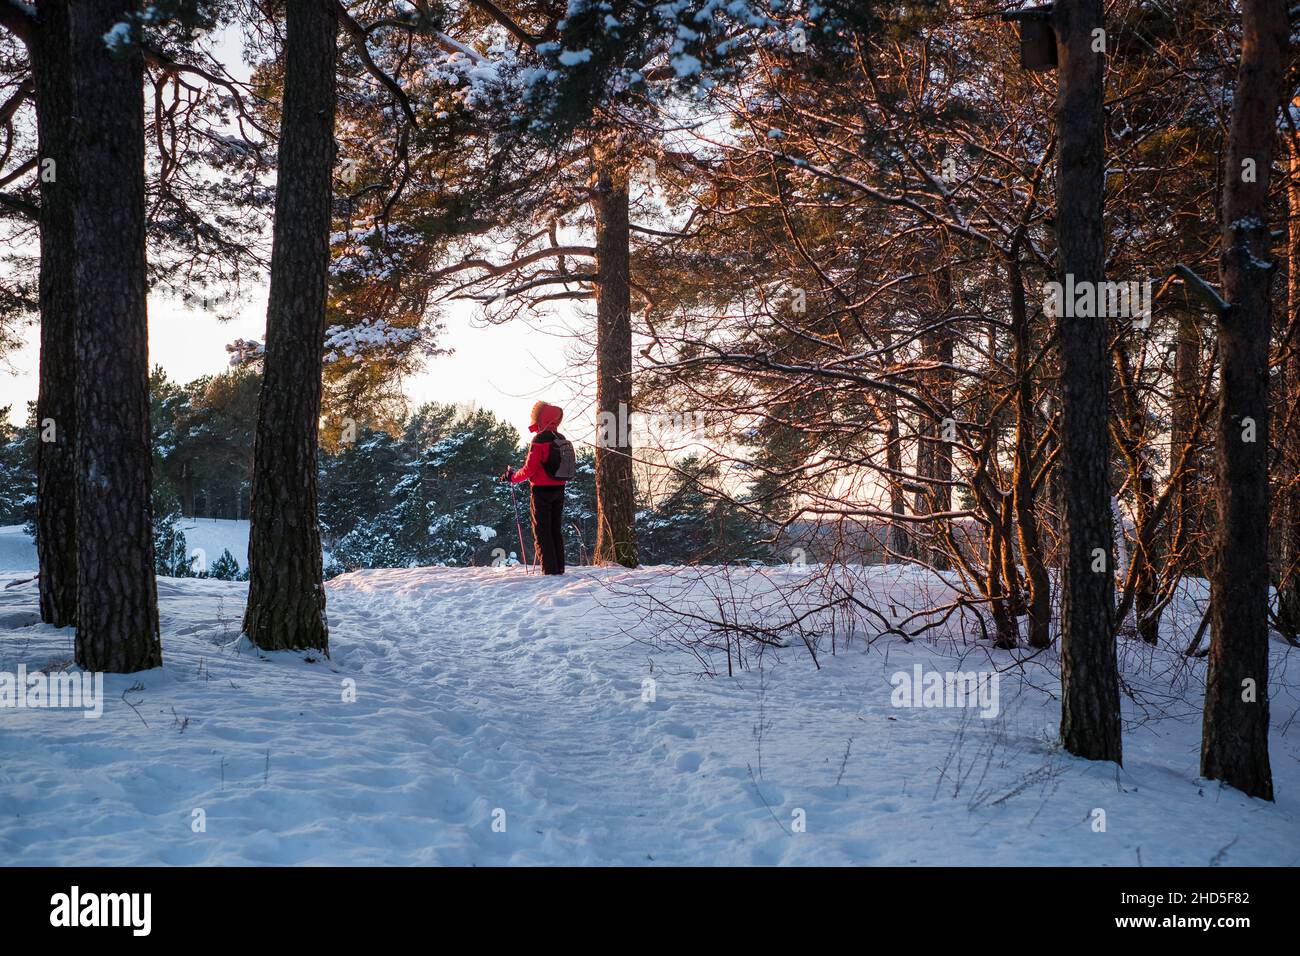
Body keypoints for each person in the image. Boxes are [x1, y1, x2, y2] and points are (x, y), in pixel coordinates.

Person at [502, 401, 575, 575]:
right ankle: (559, 569)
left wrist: (512, 477)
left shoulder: (539, 440)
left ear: (541, 419)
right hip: (559, 490)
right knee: (555, 530)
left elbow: (529, 470)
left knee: (542, 532)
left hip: (541, 491)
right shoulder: (561, 439)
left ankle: (549, 571)